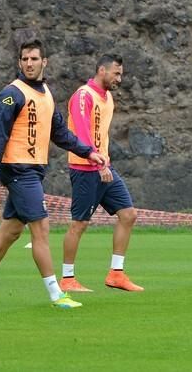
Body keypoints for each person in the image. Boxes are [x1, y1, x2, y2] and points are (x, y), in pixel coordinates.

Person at [0, 39, 106, 308]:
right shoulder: (11, 94)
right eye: (25, 59)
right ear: (19, 62)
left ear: (44, 62)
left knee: (9, 233)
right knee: (41, 230)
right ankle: (56, 294)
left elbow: (59, 133)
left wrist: (88, 152)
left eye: (34, 59)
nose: (29, 63)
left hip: (33, 171)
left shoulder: (46, 93)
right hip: (18, 170)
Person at [59, 54, 143, 293]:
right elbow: (83, 135)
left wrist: (105, 162)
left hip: (104, 167)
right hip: (86, 169)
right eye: (116, 73)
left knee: (128, 215)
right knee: (79, 224)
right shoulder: (84, 95)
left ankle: (116, 274)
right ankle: (67, 278)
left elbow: (101, 135)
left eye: (121, 74)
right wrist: (98, 165)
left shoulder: (108, 99)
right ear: (101, 70)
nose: (119, 78)